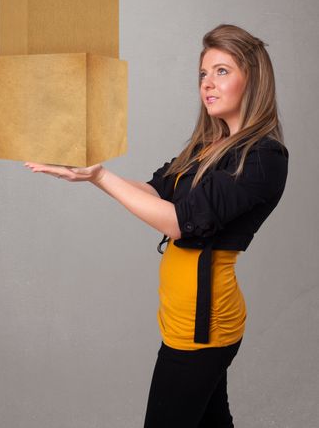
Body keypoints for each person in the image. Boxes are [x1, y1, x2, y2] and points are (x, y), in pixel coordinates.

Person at [23, 23, 289, 427]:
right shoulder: (206, 147)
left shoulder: (264, 158)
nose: (208, 84)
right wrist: (91, 173)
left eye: (221, 71)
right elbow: (154, 193)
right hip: (181, 318)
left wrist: (100, 178)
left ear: (252, 78)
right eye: (203, 73)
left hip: (204, 327)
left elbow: (180, 222)